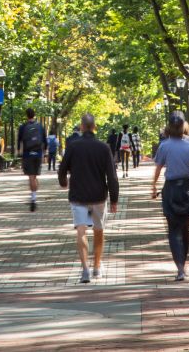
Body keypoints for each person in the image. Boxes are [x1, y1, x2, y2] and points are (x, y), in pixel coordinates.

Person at [58, 113, 119, 283]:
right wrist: (114, 199)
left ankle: (85, 269)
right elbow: (112, 177)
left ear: (82, 126)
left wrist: (63, 182)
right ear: (94, 127)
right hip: (99, 196)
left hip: (78, 195)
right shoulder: (103, 148)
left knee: (81, 230)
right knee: (99, 230)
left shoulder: (73, 146)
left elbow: (62, 169)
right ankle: (97, 267)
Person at [151, 111, 189, 281]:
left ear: (169, 126)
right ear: (184, 126)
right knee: (185, 228)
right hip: (188, 189)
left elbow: (158, 168)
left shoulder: (164, 146)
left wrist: (153, 187)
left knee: (173, 229)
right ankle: (182, 264)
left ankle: (180, 268)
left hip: (171, 190)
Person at [17, 108, 46, 211]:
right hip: (38, 153)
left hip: (27, 154)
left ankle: (33, 198)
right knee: (34, 177)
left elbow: (19, 140)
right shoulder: (40, 126)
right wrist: (44, 153)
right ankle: (34, 196)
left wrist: (18, 151)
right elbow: (44, 140)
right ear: (34, 115)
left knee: (31, 177)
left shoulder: (23, 127)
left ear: (26, 115)